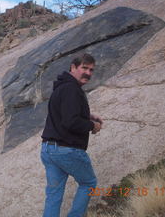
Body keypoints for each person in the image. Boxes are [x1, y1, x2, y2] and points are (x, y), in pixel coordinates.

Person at [40, 53, 103, 217]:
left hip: (49, 150)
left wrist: (88, 116)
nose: (88, 73)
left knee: (53, 196)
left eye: (91, 70)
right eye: (84, 68)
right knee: (88, 183)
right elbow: (71, 122)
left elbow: (64, 114)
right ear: (73, 67)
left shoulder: (62, 87)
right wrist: (92, 125)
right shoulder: (71, 89)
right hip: (66, 150)